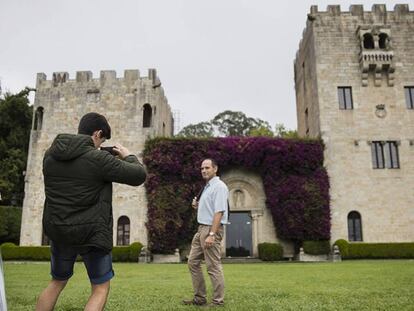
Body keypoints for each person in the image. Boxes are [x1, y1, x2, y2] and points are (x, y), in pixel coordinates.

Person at [35, 112, 146, 311]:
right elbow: (138, 175)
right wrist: (128, 155)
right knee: (100, 287)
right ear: (98, 134)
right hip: (91, 233)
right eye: (101, 140)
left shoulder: (50, 155)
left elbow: (79, 165)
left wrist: (100, 153)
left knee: (57, 282)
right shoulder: (98, 159)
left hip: (59, 230)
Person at [183, 158, 229, 307]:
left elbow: (219, 212)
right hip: (201, 229)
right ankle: (200, 298)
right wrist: (196, 205)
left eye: (207, 168)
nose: (204, 170)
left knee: (213, 266)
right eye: (202, 168)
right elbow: (209, 208)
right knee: (192, 262)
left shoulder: (219, 187)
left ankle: (217, 302)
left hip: (210, 229)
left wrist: (212, 234)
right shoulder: (207, 187)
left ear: (215, 169)